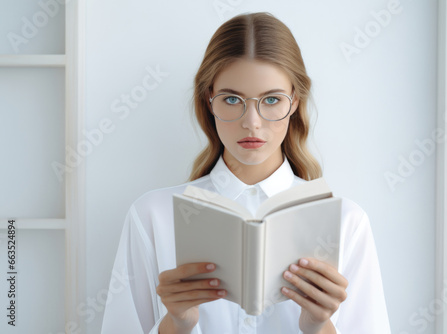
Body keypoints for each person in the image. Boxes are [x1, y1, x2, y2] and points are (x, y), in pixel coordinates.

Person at [101, 12, 391, 334]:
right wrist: (177, 324)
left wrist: (317, 326)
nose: (251, 122)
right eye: (231, 99)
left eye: (271, 99)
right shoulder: (153, 215)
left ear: (294, 101)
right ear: (209, 100)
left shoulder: (346, 222)